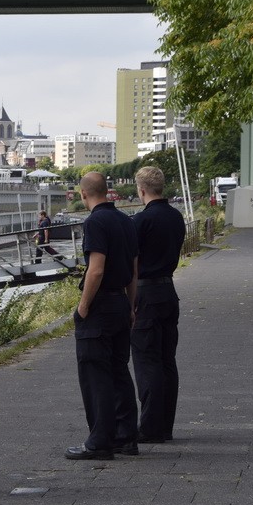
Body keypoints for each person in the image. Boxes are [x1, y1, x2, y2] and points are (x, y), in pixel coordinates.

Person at [66, 172, 139, 461]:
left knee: (95, 375)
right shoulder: (126, 221)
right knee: (119, 372)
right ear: (107, 191)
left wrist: (83, 308)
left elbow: (95, 269)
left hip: (100, 307)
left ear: (84, 194)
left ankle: (99, 442)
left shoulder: (95, 222)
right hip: (121, 302)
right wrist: (131, 306)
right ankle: (126, 437)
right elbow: (134, 270)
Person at [130, 166, 186, 443]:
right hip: (168, 290)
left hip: (146, 294)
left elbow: (133, 264)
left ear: (141, 190)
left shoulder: (140, 222)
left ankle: (150, 428)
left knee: (146, 360)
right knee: (167, 360)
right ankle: (166, 426)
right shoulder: (177, 217)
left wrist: (129, 302)